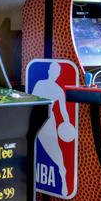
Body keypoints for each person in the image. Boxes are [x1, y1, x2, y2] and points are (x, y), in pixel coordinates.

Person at [32, 61, 72, 191]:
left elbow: (63, 110)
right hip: (36, 118)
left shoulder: (59, 90)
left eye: (57, 72)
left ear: (58, 74)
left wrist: (67, 123)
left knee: (56, 152)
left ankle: (63, 175)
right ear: (49, 71)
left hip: (49, 121)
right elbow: (32, 100)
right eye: (52, 70)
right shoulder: (40, 83)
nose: (54, 73)